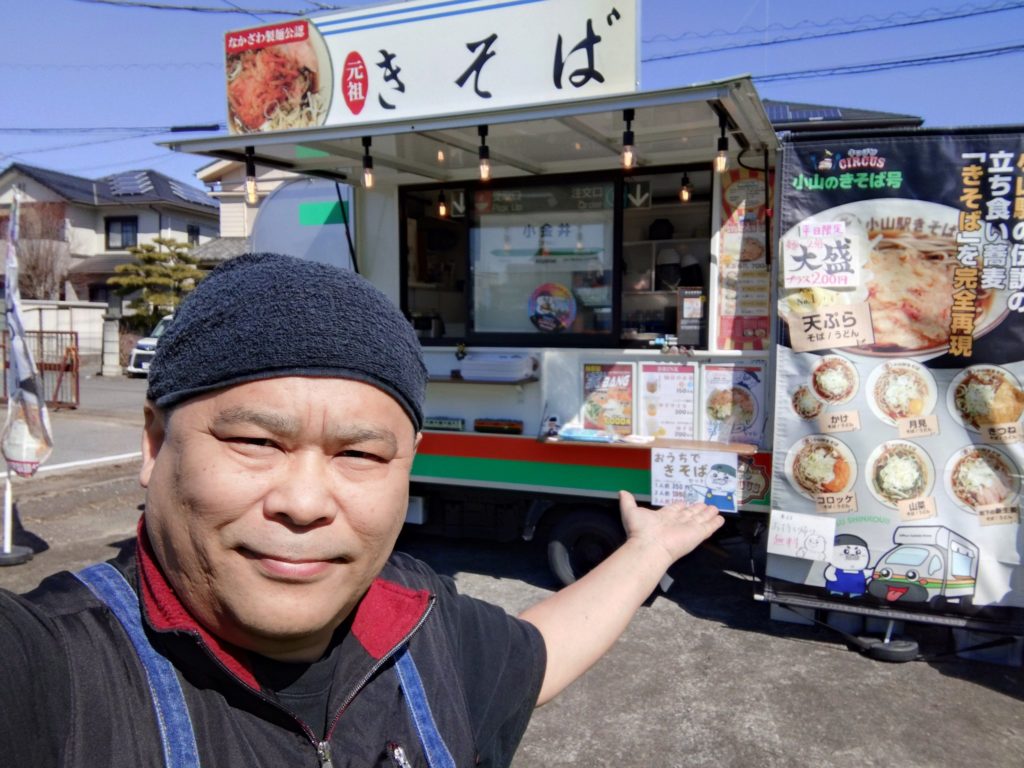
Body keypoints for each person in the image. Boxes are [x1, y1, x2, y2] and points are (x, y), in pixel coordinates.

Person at [0, 253, 723, 768]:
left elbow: (537, 652)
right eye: (256, 442)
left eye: (359, 454)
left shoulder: (416, 618)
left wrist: (649, 550)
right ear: (156, 444)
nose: (305, 503)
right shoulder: (54, 671)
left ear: (408, 463)